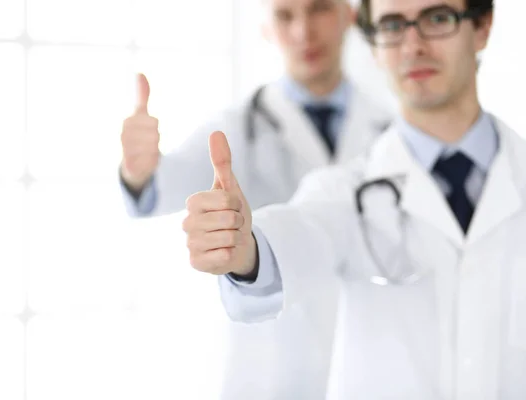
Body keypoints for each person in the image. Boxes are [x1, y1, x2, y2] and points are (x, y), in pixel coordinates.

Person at [183, 0, 526, 398]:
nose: (413, 45)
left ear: (482, 25)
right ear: (373, 45)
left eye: (437, 18)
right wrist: (248, 251)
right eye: (393, 25)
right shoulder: (344, 193)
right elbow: (306, 230)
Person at [120, 0, 393, 398]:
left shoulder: (389, 129)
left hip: (366, 361)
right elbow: (166, 183)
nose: (303, 32)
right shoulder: (234, 126)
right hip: (271, 364)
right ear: (265, 29)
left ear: (348, 17)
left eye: (318, 9)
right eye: (285, 16)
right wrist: (139, 172)